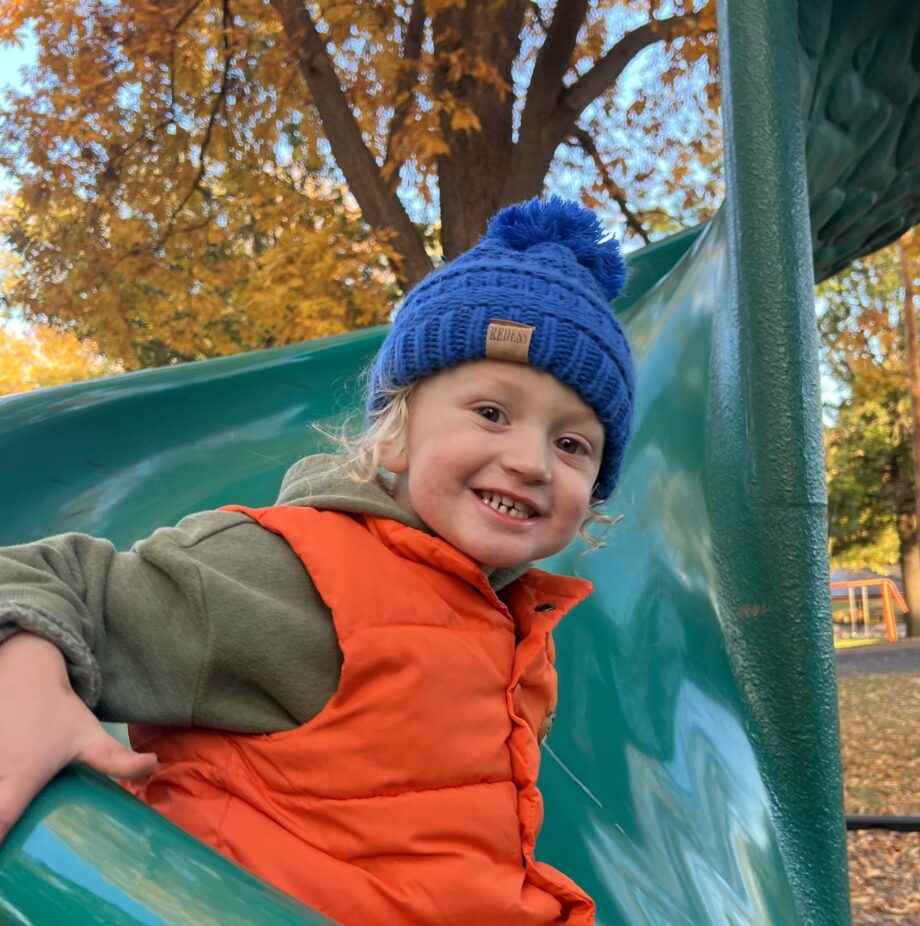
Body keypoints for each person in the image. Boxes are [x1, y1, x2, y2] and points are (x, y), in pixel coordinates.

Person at [0, 197, 634, 925]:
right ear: (394, 435)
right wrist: (24, 687)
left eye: (572, 445)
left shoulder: (516, 632)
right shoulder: (298, 574)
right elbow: (44, 578)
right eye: (492, 413)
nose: (531, 462)